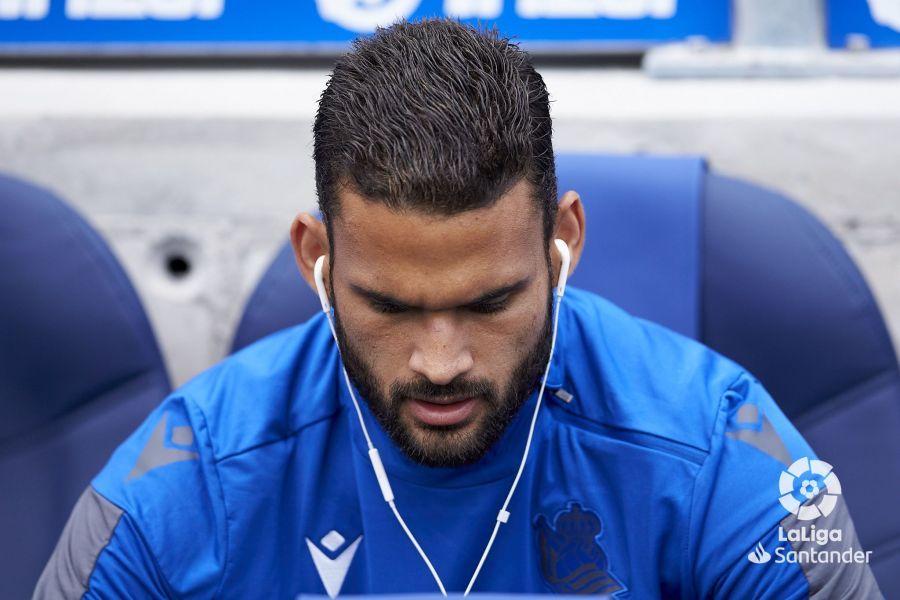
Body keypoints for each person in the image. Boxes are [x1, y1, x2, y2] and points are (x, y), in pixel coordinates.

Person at [35, 18, 881, 599]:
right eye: (390, 306)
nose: (440, 360)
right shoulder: (190, 480)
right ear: (315, 259)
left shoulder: (724, 453)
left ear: (564, 243)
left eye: (490, 302)